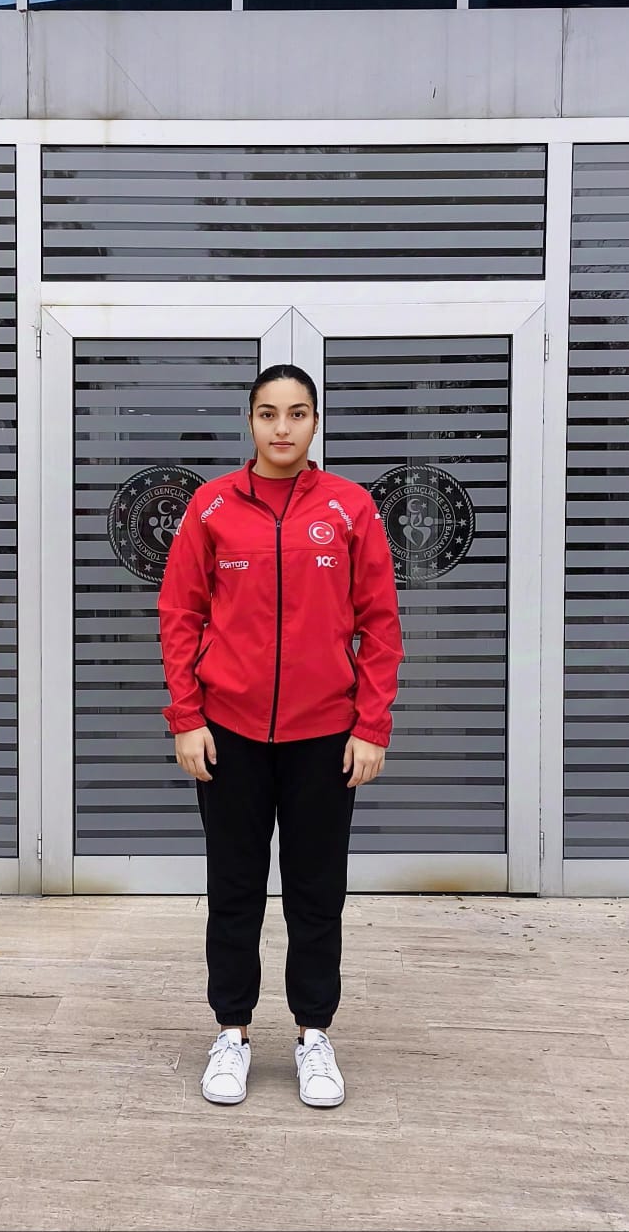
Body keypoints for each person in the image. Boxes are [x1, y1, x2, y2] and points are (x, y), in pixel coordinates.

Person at [157, 364, 403, 1108]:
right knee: (233, 890)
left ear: (315, 422)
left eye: (297, 413)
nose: (283, 427)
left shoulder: (350, 507)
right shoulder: (211, 507)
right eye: (269, 413)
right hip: (228, 735)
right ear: (251, 422)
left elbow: (380, 625)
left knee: (315, 893)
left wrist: (371, 725)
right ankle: (231, 1033)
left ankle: (313, 1034)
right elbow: (179, 616)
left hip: (325, 736)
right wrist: (187, 716)